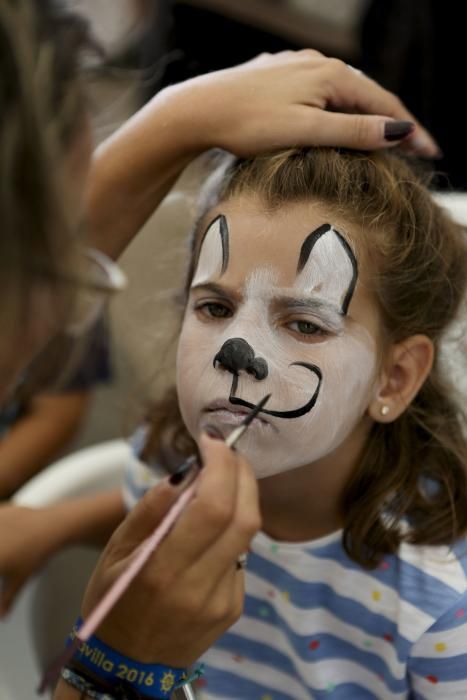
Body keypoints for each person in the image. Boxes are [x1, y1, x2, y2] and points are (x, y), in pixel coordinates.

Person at [0, 0, 441, 698]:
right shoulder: (168, 459)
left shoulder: (436, 616)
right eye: (214, 306)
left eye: (304, 323)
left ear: (394, 376)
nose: (238, 350)